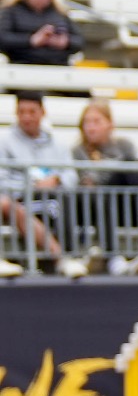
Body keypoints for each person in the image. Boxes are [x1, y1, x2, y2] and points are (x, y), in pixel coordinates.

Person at [0, 93, 86, 278]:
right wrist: (32, 186)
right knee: (13, 204)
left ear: (42, 112)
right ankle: (62, 258)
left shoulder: (58, 145)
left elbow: (71, 175)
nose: (26, 117)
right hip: (21, 199)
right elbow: (2, 179)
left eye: (32, 111)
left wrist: (56, 180)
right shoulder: (4, 141)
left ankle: (82, 256)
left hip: (54, 196)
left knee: (65, 201)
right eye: (22, 112)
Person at [72, 101, 138, 275]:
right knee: (119, 172)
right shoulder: (79, 151)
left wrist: (104, 167)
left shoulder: (124, 144)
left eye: (96, 121)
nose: (91, 127)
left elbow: (134, 175)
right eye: (87, 122)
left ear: (110, 124)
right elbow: (90, 182)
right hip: (101, 207)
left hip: (130, 203)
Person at [0, 0, 79, 66]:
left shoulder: (59, 12)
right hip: (22, 64)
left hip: (58, 65)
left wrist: (65, 42)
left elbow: (79, 41)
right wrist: (31, 40)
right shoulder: (12, 11)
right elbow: (3, 39)